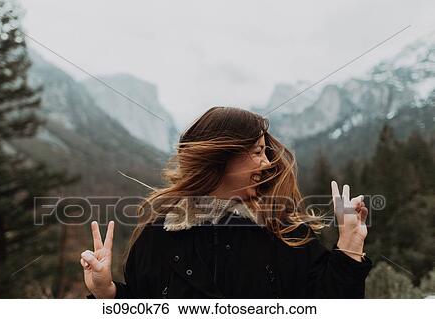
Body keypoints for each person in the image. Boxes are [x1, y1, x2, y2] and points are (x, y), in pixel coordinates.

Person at [80, 106, 372, 298]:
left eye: (266, 152)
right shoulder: (157, 237)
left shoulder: (286, 231)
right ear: (222, 159)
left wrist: (350, 244)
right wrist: (107, 293)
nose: (269, 162)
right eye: (258, 152)